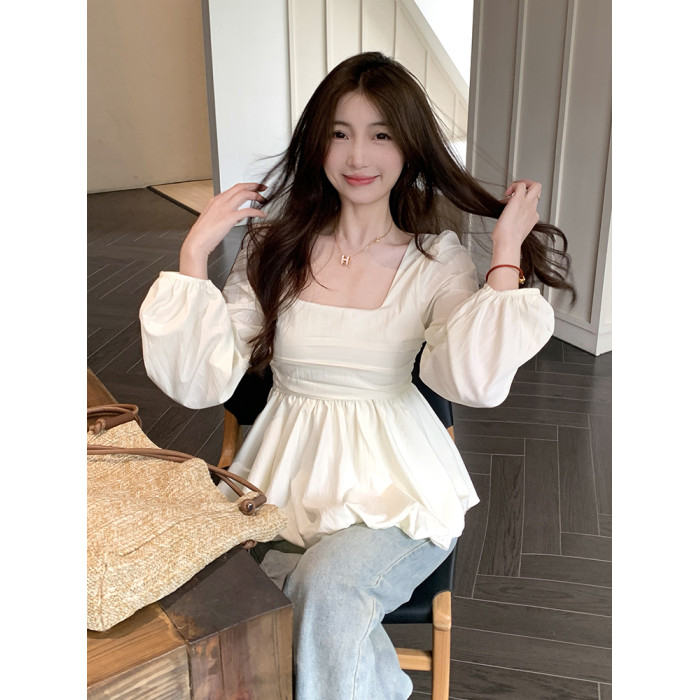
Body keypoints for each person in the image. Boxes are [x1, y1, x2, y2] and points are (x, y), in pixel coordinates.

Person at [140, 52, 574, 700]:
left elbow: (472, 381)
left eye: (380, 134)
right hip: (283, 482)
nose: (358, 155)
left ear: (409, 148)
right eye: (340, 133)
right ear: (317, 143)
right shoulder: (273, 249)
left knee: (326, 587)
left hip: (399, 493)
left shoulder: (436, 262)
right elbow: (204, 379)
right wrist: (194, 253)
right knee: (297, 604)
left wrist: (506, 252)